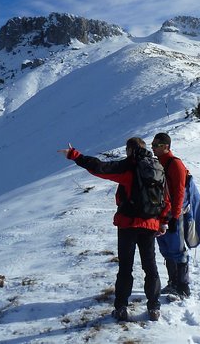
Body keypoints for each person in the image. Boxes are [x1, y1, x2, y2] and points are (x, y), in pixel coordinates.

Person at [58, 137, 170, 322]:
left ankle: (121, 308)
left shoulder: (129, 167)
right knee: (150, 266)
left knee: (125, 267)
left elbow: (100, 168)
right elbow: (166, 198)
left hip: (128, 224)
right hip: (150, 224)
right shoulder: (157, 168)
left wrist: (74, 155)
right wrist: (163, 221)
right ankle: (154, 308)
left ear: (129, 150)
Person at [151, 132, 191, 298]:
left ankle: (183, 286)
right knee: (166, 250)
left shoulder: (175, 164)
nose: (152, 148)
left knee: (177, 250)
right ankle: (172, 283)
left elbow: (179, 192)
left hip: (173, 214)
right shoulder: (158, 163)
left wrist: (175, 217)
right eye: (152, 145)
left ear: (166, 146)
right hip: (160, 214)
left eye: (156, 145)